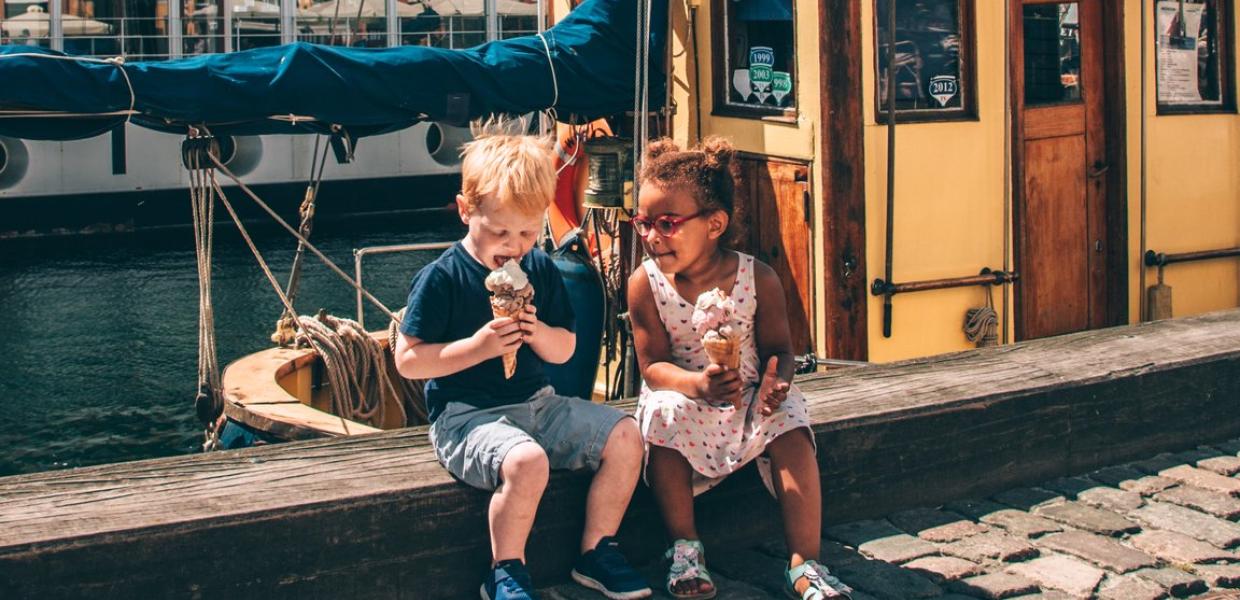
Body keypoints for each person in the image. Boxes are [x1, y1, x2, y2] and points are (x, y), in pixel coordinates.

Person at [393, 121, 651, 600]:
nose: (513, 246)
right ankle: (505, 570)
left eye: (528, 232)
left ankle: (597, 551)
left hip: (538, 403)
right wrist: (480, 346)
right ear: (466, 211)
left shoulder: (540, 267)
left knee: (627, 434)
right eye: (501, 232)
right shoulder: (443, 277)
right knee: (528, 461)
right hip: (465, 415)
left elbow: (566, 348)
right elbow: (408, 360)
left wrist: (537, 333)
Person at [626, 137, 853, 600]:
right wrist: (696, 384)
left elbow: (781, 351)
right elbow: (652, 368)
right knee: (661, 415)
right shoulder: (644, 284)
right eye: (643, 223)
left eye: (667, 224)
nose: (651, 236)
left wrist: (778, 382)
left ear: (714, 224)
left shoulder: (758, 278)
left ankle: (805, 563)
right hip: (686, 394)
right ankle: (685, 547)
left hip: (748, 397)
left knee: (791, 423)